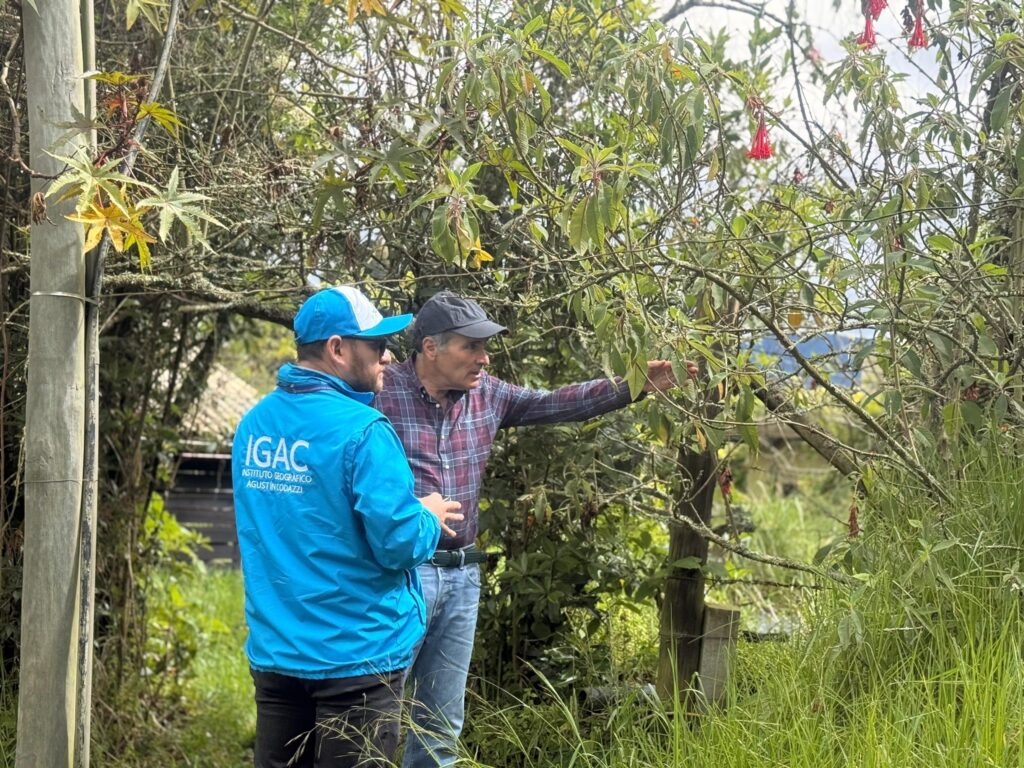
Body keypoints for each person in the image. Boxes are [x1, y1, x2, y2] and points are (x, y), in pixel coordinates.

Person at [373, 290, 694, 768]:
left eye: (485, 347)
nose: (484, 358)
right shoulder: (381, 390)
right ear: (431, 349)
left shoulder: (489, 394)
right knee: (375, 715)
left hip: (462, 577)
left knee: (441, 725)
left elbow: (560, 403)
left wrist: (635, 384)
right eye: (471, 347)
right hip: (397, 576)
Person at [232, 285, 462, 768]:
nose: (387, 357)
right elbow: (399, 544)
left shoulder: (255, 425)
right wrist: (429, 514)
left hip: (277, 655)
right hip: (356, 660)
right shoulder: (364, 430)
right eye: (376, 346)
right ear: (338, 349)